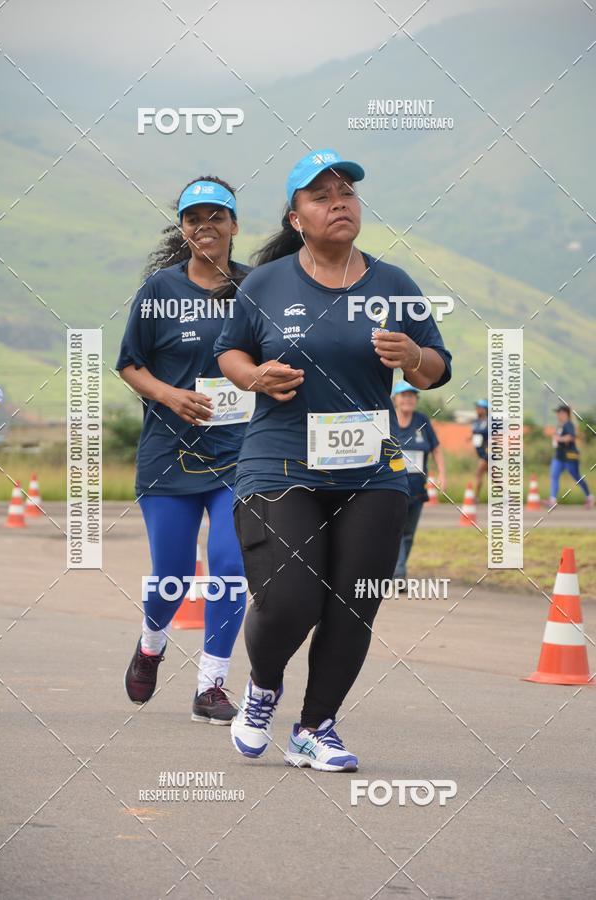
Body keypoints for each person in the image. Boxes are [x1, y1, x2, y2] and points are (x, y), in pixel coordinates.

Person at [214, 148, 452, 771]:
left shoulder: (394, 283)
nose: (338, 202)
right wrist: (254, 376)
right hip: (279, 465)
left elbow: (435, 369)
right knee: (292, 598)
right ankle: (263, 686)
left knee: (355, 599)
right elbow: (229, 355)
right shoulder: (265, 284)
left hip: (371, 472)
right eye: (320, 196)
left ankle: (315, 728)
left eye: (346, 192)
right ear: (296, 218)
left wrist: (411, 357)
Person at [117, 176, 251, 723]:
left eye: (217, 216)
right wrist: (169, 395)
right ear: (184, 228)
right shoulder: (159, 292)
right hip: (168, 456)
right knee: (172, 573)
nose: (206, 227)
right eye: (194, 218)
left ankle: (211, 685)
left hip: (241, 455)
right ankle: (151, 644)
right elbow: (129, 363)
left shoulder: (257, 288)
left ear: (234, 226)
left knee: (229, 563)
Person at [391, 380, 445, 580]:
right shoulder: (387, 420)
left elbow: (436, 449)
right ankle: (398, 574)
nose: (408, 399)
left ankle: (397, 571)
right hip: (392, 489)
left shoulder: (422, 421)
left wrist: (442, 474)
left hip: (417, 489)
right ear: (395, 399)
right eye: (404, 395)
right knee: (394, 531)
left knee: (408, 534)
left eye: (412, 396)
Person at [548, 404, 594, 508]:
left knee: (576, 476)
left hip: (569, 456)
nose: (557, 415)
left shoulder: (568, 424)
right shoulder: (560, 425)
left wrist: (558, 439)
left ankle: (589, 496)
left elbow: (571, 437)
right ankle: (552, 499)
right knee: (554, 475)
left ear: (564, 414)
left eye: (559, 413)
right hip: (559, 456)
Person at [471, 399, 489, 499]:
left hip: (487, 452)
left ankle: (475, 497)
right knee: (494, 477)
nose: (477, 409)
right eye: (477, 407)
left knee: (478, 473)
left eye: (479, 408)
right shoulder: (476, 421)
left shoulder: (489, 421)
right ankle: (508, 496)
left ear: (485, 409)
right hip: (479, 452)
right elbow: (476, 434)